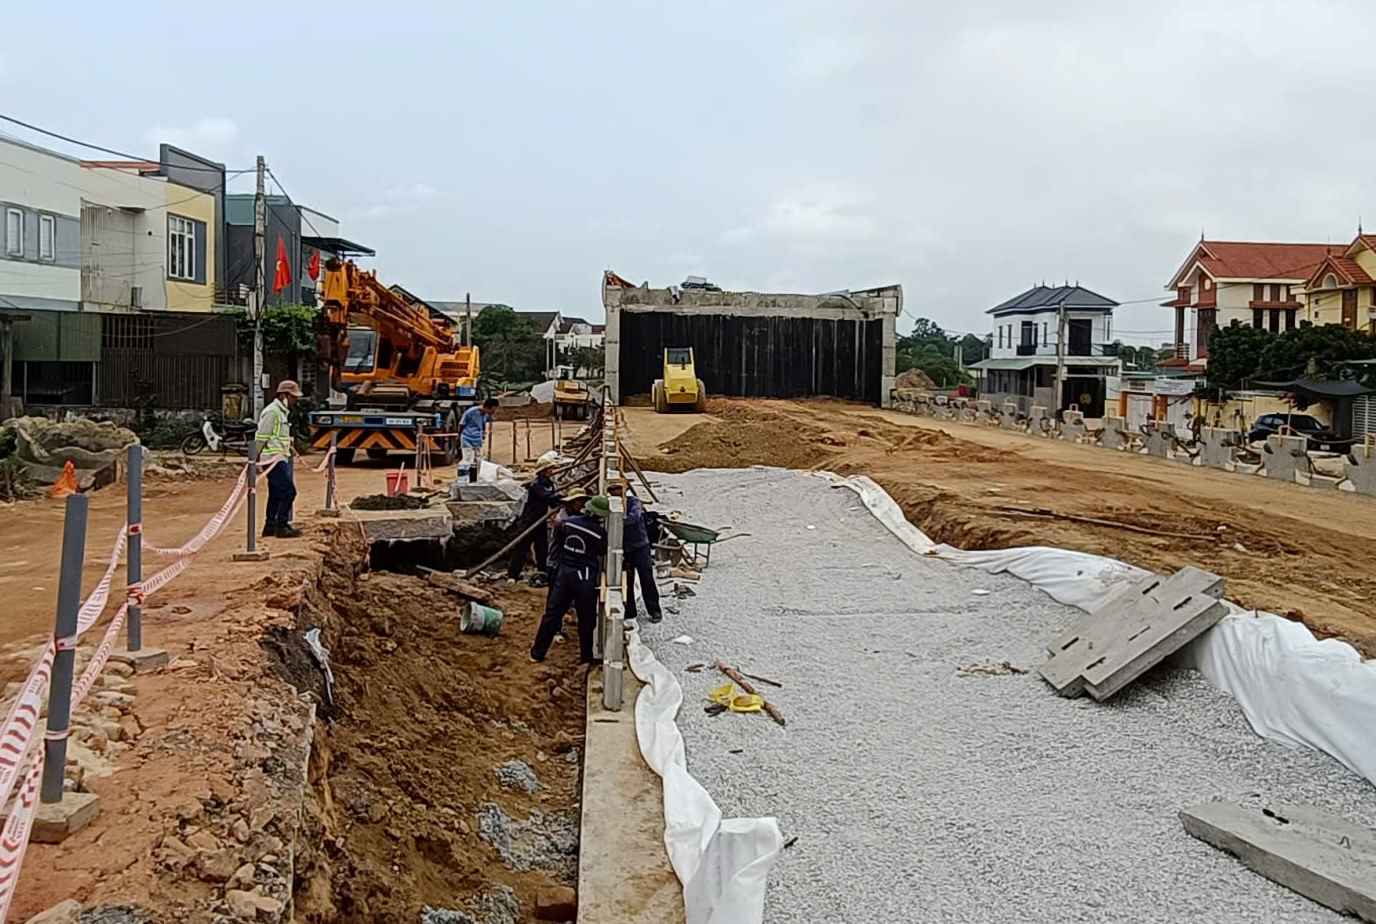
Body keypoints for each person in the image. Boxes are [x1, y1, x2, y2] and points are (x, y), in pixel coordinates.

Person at [531, 494, 610, 664]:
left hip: (564, 574)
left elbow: (558, 539)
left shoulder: (568, 523)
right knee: (587, 619)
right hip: (585, 577)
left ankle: (537, 653)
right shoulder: (599, 533)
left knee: (552, 615)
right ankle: (586, 657)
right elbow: (602, 551)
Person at [507, 452, 564, 583]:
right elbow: (546, 497)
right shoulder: (536, 484)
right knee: (522, 548)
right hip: (529, 520)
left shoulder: (549, 483)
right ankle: (513, 575)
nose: (552, 471)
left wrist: (559, 501)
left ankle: (542, 572)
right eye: (550, 469)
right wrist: (560, 497)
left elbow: (552, 501)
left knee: (542, 548)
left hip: (541, 520)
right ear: (544, 470)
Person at [256, 379, 303, 539]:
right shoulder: (272, 412)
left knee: (276, 493)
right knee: (289, 491)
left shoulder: (281, 412)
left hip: (279, 458)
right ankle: (281, 526)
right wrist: (255, 460)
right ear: (284, 395)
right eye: (293, 397)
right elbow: (261, 436)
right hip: (272, 459)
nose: (295, 400)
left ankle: (270, 527)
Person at [613, 485, 663, 623]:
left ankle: (655, 610)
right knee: (627, 580)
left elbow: (633, 518)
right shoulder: (611, 505)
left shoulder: (634, 502)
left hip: (640, 546)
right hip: (625, 548)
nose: (616, 494)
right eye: (613, 492)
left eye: (618, 490)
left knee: (646, 578)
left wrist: (614, 521)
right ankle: (630, 611)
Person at [459, 398, 498, 483]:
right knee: (467, 459)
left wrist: (483, 434)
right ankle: (463, 479)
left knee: (479, 459)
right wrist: (460, 436)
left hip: (477, 438)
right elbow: (462, 424)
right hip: (467, 437)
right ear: (487, 407)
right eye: (492, 410)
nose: (493, 412)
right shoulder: (471, 412)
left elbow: (483, 425)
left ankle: (477, 478)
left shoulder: (485, 415)